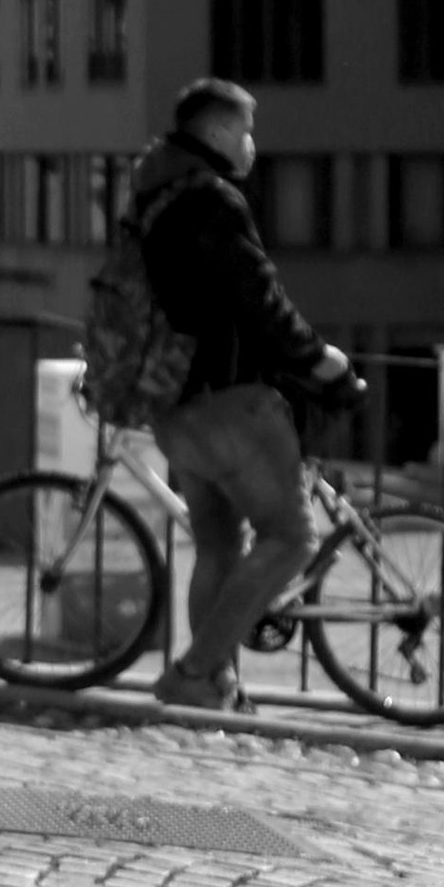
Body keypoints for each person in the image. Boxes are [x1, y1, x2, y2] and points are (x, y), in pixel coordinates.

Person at [131, 74, 360, 713]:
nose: (252, 145)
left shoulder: (154, 192)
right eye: (245, 131)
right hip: (232, 404)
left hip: (176, 406)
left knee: (219, 546)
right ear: (217, 131)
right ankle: (194, 673)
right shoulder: (212, 201)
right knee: (291, 538)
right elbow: (257, 297)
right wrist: (319, 360)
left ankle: (214, 689)